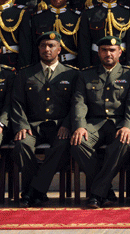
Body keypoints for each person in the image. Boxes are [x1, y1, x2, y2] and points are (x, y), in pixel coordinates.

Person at [70, 36, 130, 209]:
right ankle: (105, 191)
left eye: (112, 50)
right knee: (78, 143)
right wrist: (79, 126)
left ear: (120, 52)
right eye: (104, 50)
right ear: (98, 52)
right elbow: (79, 103)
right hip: (94, 124)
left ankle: (96, 194)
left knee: (123, 142)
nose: (108, 53)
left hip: (119, 124)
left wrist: (127, 126)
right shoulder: (85, 74)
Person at [11, 32, 78, 207]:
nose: (46, 49)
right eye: (43, 46)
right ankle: (38, 190)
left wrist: (67, 125)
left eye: (51, 46)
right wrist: (22, 126)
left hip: (59, 127)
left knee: (63, 145)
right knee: (22, 144)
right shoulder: (26, 74)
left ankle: (31, 191)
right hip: (33, 126)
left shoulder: (72, 74)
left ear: (59, 49)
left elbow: (77, 105)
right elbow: (17, 102)